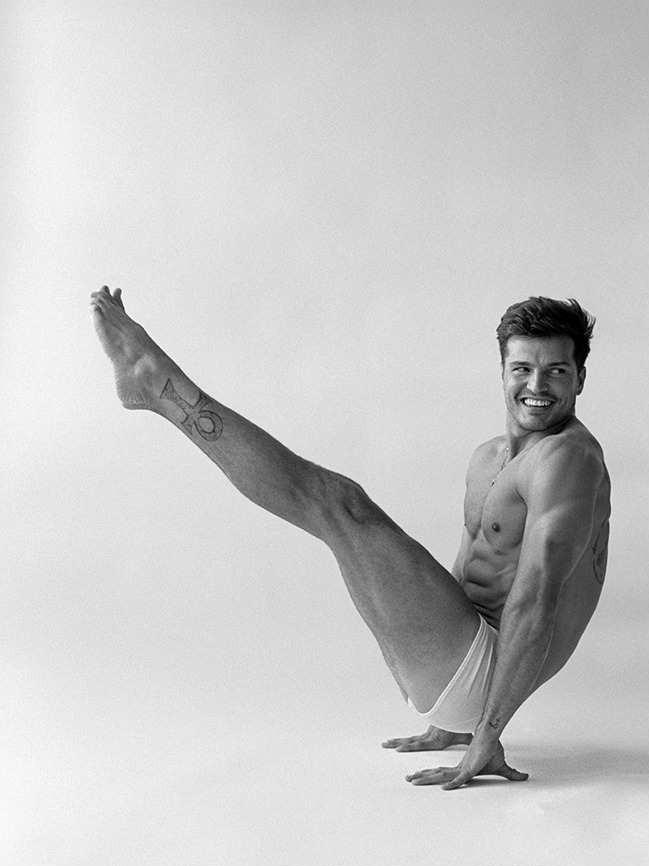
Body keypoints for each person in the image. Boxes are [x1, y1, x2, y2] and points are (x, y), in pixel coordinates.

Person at [90, 287, 610, 789]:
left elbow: (536, 597)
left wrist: (487, 731)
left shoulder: (567, 459)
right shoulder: (490, 456)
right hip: (461, 665)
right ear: (502, 371)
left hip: (487, 674)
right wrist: (453, 723)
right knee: (339, 513)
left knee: (336, 503)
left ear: (580, 378)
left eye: (556, 370)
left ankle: (157, 383)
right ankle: (154, 383)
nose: (537, 384)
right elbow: (469, 572)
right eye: (522, 368)